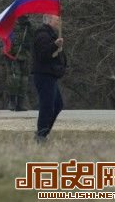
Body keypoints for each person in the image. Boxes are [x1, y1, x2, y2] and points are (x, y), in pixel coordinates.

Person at [32, 14, 67, 143]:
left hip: (50, 75)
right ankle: (41, 134)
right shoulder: (42, 35)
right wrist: (55, 45)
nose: (59, 21)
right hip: (44, 75)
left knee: (57, 105)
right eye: (57, 19)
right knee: (47, 106)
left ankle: (43, 132)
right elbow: (43, 55)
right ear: (49, 19)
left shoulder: (50, 34)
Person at [5, 15, 33, 111]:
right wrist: (8, 53)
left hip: (25, 57)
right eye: (23, 18)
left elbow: (34, 38)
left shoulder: (28, 28)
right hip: (13, 57)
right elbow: (6, 40)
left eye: (26, 18)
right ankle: (12, 101)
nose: (24, 19)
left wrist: (30, 27)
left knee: (24, 80)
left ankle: (20, 103)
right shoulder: (12, 27)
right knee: (14, 79)